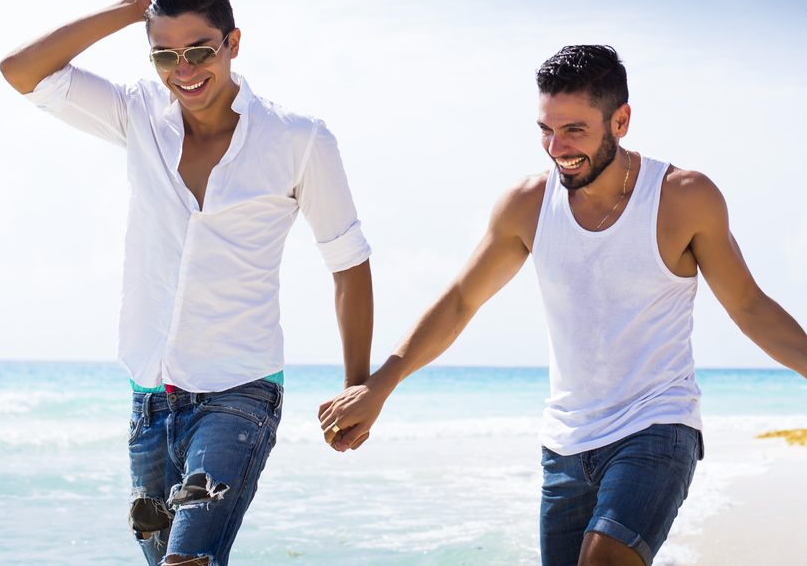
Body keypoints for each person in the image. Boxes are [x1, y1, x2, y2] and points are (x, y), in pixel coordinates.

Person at [317, 45, 807, 566]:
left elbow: (750, 306)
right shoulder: (527, 205)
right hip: (565, 446)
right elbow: (461, 300)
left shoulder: (682, 197)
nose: (556, 146)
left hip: (657, 427)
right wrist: (379, 385)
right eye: (546, 130)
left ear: (620, 121)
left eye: (574, 129)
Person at [0, 0, 373, 566]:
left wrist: (356, 384)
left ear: (233, 43)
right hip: (150, 393)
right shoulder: (137, 113)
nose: (185, 71)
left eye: (199, 51)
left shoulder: (298, 139)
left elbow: (348, 262)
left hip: (239, 391)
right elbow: (20, 70)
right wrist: (130, 8)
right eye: (165, 56)